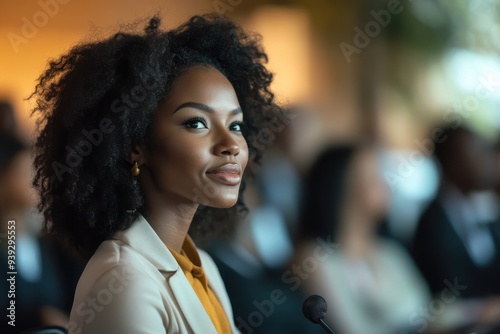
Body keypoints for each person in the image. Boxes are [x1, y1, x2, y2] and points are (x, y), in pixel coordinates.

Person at [30, 14, 282, 333]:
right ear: (135, 145)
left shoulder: (203, 267)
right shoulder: (123, 279)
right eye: (196, 123)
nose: (230, 144)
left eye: (235, 125)